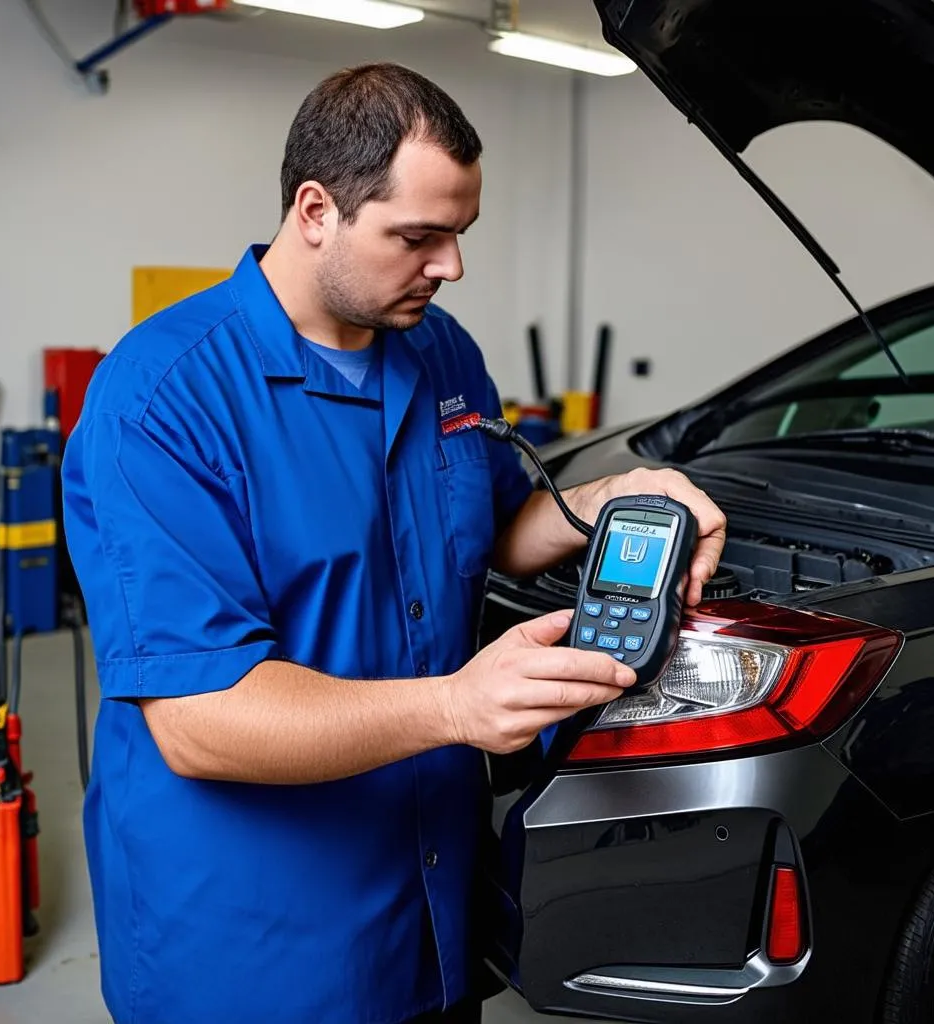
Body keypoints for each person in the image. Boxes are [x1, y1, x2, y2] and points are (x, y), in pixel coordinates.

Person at [61, 62, 726, 1024]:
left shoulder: (440, 353)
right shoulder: (164, 399)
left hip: (431, 912)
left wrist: (619, 495)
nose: (451, 265)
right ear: (316, 209)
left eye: (460, 234)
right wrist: (457, 706)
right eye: (418, 237)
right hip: (255, 950)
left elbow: (497, 526)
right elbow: (200, 717)